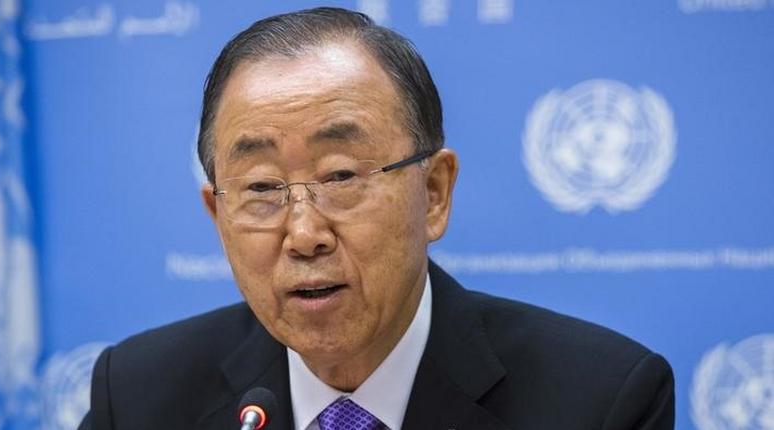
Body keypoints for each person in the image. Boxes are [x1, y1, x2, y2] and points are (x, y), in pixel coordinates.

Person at [79, 7, 674, 430]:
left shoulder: (601, 400)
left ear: (434, 193)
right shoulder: (137, 395)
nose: (305, 235)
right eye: (262, 187)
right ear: (217, 214)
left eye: (341, 177)